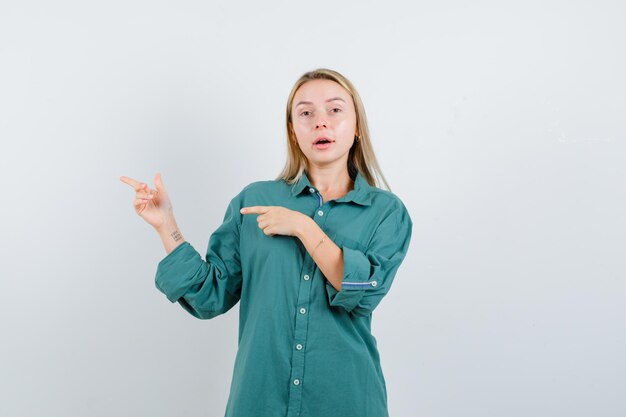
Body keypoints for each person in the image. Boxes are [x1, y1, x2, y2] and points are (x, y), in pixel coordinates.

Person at [120, 68, 413, 417]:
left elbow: (362, 292)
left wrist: (304, 227)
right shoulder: (254, 200)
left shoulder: (386, 212)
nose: (321, 122)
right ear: (293, 129)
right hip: (259, 402)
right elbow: (208, 296)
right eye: (306, 113)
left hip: (346, 400)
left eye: (335, 110)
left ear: (357, 125)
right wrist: (166, 224)